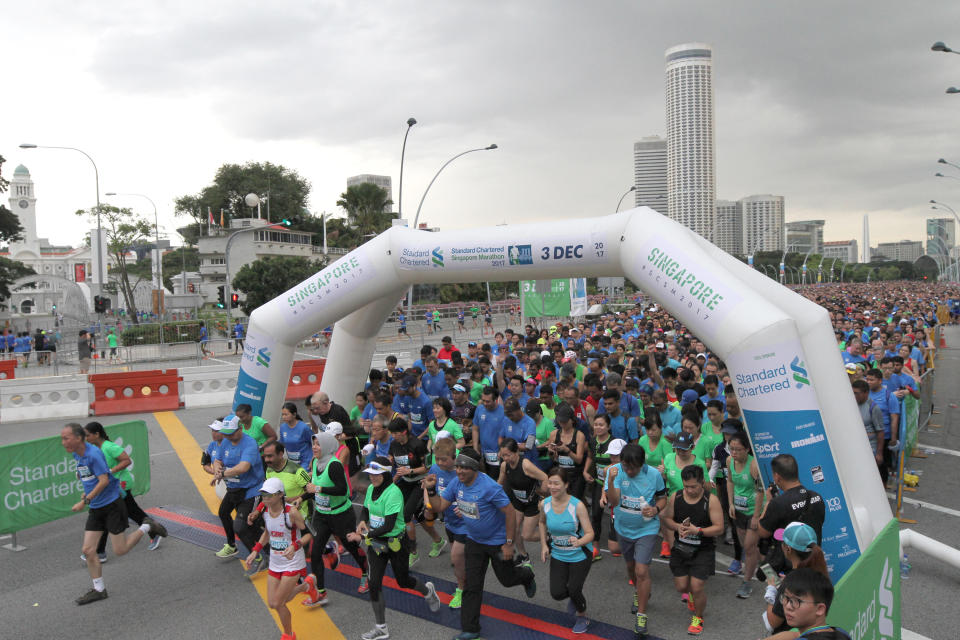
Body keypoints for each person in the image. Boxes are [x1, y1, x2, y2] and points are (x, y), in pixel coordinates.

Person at [424, 447, 536, 640]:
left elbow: (510, 513)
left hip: (498, 543)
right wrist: (431, 489)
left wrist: (509, 544)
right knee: (471, 586)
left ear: (474, 469)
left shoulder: (490, 487)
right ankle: (471, 629)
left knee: (507, 580)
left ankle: (526, 575)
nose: (459, 471)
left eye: (464, 468)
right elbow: (440, 506)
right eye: (457, 466)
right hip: (474, 541)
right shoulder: (456, 484)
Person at [60, 423, 168, 605]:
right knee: (88, 550)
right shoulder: (76, 454)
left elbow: (103, 481)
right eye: (62, 438)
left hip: (112, 506)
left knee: (120, 550)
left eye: (66, 438)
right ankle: (99, 590)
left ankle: (147, 525)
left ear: (79, 438)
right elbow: (91, 478)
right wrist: (87, 492)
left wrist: (85, 501)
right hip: (96, 507)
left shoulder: (94, 454)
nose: (63, 442)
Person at [347, 458, 441, 640]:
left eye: (377, 475)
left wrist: (364, 536)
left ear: (385, 474)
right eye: (370, 475)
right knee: (374, 584)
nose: (373, 478)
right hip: (375, 544)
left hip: (395, 542)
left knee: (403, 580)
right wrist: (362, 521)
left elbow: (389, 525)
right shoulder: (371, 490)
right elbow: (366, 509)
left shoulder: (393, 493)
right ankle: (381, 627)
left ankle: (428, 590)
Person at [244, 477, 319, 640]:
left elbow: (308, 534)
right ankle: (307, 586)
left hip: (293, 562)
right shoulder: (265, 511)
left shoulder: (291, 512)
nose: (265, 497)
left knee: (279, 603)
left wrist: (294, 546)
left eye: (269, 494)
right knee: (273, 602)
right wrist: (255, 551)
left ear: (280, 495)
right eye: (263, 494)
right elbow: (267, 533)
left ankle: (289, 635)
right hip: (276, 562)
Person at [605, 443, 667, 638]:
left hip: (646, 529)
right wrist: (613, 480)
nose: (629, 471)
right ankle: (639, 591)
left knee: (642, 571)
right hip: (623, 529)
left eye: (633, 468)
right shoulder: (615, 472)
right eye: (626, 466)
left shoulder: (654, 475)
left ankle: (641, 614)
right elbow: (613, 503)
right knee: (631, 569)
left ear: (642, 464)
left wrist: (655, 509)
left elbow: (662, 498)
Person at [304, 431, 370, 602]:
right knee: (315, 552)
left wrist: (317, 489)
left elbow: (343, 490)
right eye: (313, 444)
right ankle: (321, 592)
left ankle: (366, 572)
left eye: (318, 444)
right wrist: (301, 498)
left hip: (341, 514)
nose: (314, 447)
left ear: (326, 446)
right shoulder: (315, 461)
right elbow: (314, 487)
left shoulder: (334, 465)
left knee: (352, 547)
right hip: (321, 514)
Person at [661, 465, 724, 636]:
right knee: (682, 587)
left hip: (703, 550)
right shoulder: (677, 496)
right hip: (681, 549)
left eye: (694, 486)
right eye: (686, 486)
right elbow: (666, 518)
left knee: (697, 587)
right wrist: (677, 527)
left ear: (702, 483)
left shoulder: (711, 500)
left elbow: (719, 528)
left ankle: (698, 617)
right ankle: (690, 596)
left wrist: (699, 531)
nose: (689, 490)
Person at [82, 421, 161, 559]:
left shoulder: (109, 447)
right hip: (111, 486)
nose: (85, 438)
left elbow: (126, 460)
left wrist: (110, 471)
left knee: (129, 512)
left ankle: (100, 551)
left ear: (96, 434)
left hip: (120, 485)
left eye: (87, 435)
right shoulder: (96, 448)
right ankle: (100, 551)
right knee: (125, 511)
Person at [538, 467, 595, 634]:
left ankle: (582, 616)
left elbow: (591, 533)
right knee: (556, 593)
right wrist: (543, 545)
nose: (553, 487)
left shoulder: (577, 506)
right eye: (550, 483)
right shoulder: (544, 504)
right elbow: (541, 523)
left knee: (574, 589)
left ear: (566, 485)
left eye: (557, 483)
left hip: (580, 554)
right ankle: (573, 596)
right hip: (558, 553)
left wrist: (579, 541)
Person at [388, 417, 444, 565]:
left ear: (404, 431)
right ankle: (438, 541)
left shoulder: (417, 445)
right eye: (391, 433)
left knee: (406, 515)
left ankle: (413, 552)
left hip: (420, 483)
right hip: (405, 483)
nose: (393, 436)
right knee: (419, 517)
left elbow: (427, 467)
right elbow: (393, 464)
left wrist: (410, 470)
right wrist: (390, 482)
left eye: (395, 433)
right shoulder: (394, 445)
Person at [758, 454, 826, 575]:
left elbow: (762, 532)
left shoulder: (777, 504)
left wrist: (768, 502)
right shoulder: (816, 497)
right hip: (814, 563)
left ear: (777, 477)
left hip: (791, 568)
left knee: (784, 591)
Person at [422, 437, 468, 609]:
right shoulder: (434, 468)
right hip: (449, 521)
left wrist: (465, 508)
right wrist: (428, 504)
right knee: (460, 560)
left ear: (454, 457)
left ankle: (462, 590)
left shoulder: (462, 471)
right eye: (437, 458)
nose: (439, 462)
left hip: (466, 522)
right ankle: (466, 581)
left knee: (456, 558)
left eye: (443, 459)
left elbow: (476, 493)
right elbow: (427, 486)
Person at [212, 416, 265, 564]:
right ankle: (231, 545)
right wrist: (217, 470)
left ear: (240, 428)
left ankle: (258, 558)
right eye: (226, 433)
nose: (228, 436)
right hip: (234, 489)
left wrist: (222, 474)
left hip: (251, 490)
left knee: (240, 526)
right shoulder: (225, 441)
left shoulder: (250, 444)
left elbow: (243, 467)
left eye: (231, 433)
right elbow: (218, 460)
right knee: (223, 513)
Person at [762, 522, 830, 636]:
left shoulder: (790, 585)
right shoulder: (820, 574)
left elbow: (772, 622)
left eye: (782, 543)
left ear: (788, 549)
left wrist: (771, 590)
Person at [498, 437, 549, 567]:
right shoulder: (505, 465)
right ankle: (524, 556)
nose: (505, 458)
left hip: (532, 503)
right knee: (513, 530)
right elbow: (499, 484)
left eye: (507, 455)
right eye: (502, 455)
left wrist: (543, 495)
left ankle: (549, 537)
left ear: (516, 452)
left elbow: (544, 477)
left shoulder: (525, 464)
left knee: (527, 535)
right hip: (518, 502)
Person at [725, 431, 763, 599]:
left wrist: (756, 516)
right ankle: (767, 564)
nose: (734, 453)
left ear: (747, 449)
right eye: (731, 449)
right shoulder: (729, 461)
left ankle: (747, 582)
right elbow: (730, 481)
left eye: (738, 449)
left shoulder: (753, 465)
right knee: (746, 546)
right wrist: (731, 504)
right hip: (738, 510)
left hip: (753, 511)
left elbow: (760, 491)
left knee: (748, 547)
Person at [767, 568, 849, 640]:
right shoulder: (842, 633)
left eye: (796, 601)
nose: (788, 606)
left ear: (820, 609)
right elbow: (796, 634)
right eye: (786, 598)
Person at [548, 404, 588, 499]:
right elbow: (553, 458)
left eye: (565, 422)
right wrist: (551, 452)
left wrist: (567, 450)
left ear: (572, 420)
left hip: (575, 475)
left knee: (574, 502)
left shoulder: (579, 435)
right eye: (560, 422)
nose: (563, 424)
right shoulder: (554, 434)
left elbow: (579, 459)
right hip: (560, 473)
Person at [276, 401, 314, 470]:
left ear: (294, 414)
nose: (283, 417)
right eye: (282, 414)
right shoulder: (282, 427)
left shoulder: (304, 428)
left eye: (286, 414)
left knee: (301, 479)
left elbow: (315, 442)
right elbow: (282, 443)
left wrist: (313, 459)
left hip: (305, 462)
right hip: (292, 463)